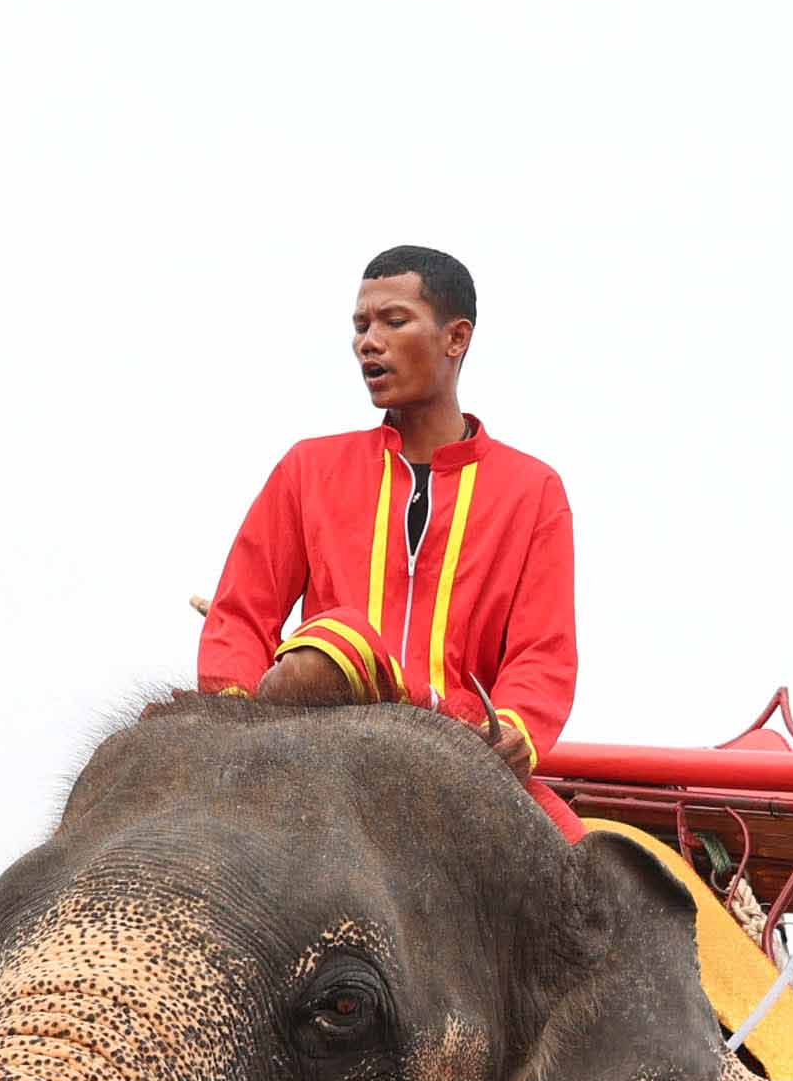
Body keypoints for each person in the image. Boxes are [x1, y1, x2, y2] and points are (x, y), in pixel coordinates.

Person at [192, 242, 578, 771]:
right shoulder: (308, 468)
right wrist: (237, 713)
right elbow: (241, 615)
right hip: (318, 728)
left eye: (394, 322)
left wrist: (516, 728)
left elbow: (543, 652)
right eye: (360, 326)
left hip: (458, 752)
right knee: (328, 647)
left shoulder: (533, 490)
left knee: (576, 850)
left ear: (456, 338)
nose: (368, 343)